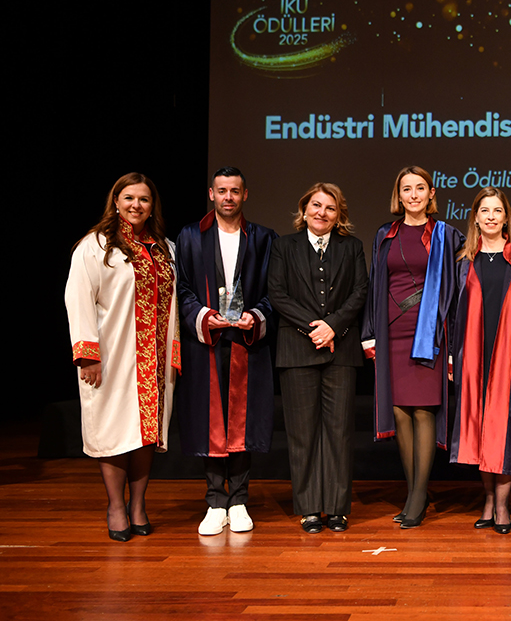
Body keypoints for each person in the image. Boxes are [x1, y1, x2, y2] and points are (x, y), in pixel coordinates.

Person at [65, 173, 180, 542]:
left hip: (153, 358)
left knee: (146, 435)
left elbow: (174, 303)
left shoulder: (164, 248)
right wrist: (88, 354)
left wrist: (174, 351)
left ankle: (138, 505)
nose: (136, 205)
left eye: (144, 199)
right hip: (113, 355)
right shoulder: (96, 246)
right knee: (114, 430)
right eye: (129, 197)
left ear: (152, 205)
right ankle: (116, 506)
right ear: (115, 201)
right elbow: (78, 298)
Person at [175, 166, 278, 536]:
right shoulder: (190, 236)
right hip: (206, 342)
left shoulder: (263, 238)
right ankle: (215, 502)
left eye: (235, 191)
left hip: (247, 342)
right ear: (211, 194)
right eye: (222, 191)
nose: (228, 197)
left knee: (242, 421)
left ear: (245, 194)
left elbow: (275, 291)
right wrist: (204, 316)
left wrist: (256, 315)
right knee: (211, 421)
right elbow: (182, 288)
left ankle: (239, 500)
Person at [361, 166, 464, 528]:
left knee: (423, 411)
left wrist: (451, 343)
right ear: (399, 195)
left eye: (420, 188)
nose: (414, 195)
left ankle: (418, 497)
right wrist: (371, 333)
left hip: (430, 334)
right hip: (393, 333)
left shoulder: (447, 235)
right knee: (401, 411)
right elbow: (376, 285)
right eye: (407, 189)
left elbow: (457, 290)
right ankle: (413, 491)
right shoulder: (384, 235)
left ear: (432, 193)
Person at [268, 183, 368, 533]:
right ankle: (310, 508)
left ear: (339, 215)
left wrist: (333, 327)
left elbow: (360, 292)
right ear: (304, 209)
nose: (321, 213)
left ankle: (337, 509)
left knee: (339, 433)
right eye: (316, 205)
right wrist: (315, 328)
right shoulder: (284, 246)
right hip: (297, 349)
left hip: (341, 350)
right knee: (302, 434)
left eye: (330, 208)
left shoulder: (351, 247)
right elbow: (277, 294)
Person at [449, 188, 511, 535]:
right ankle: (488, 500)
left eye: (497, 211)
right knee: (480, 429)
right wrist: (453, 357)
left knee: (505, 430)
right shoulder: (463, 261)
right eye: (484, 211)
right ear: (475, 218)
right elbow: (454, 314)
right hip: (474, 356)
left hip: (510, 356)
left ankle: (502, 505)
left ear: (506, 218)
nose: (491, 217)